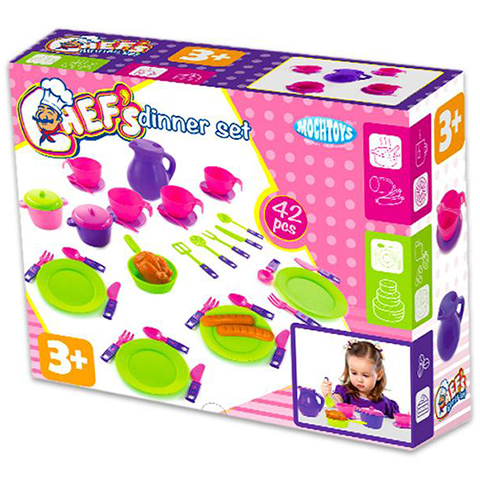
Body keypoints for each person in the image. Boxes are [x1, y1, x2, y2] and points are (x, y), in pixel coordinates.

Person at [321, 340, 399, 418]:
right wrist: (328, 395)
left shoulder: (387, 405)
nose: (359, 380)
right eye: (354, 373)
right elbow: (335, 404)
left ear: (379, 375)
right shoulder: (344, 393)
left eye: (365, 375)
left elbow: (396, 423)